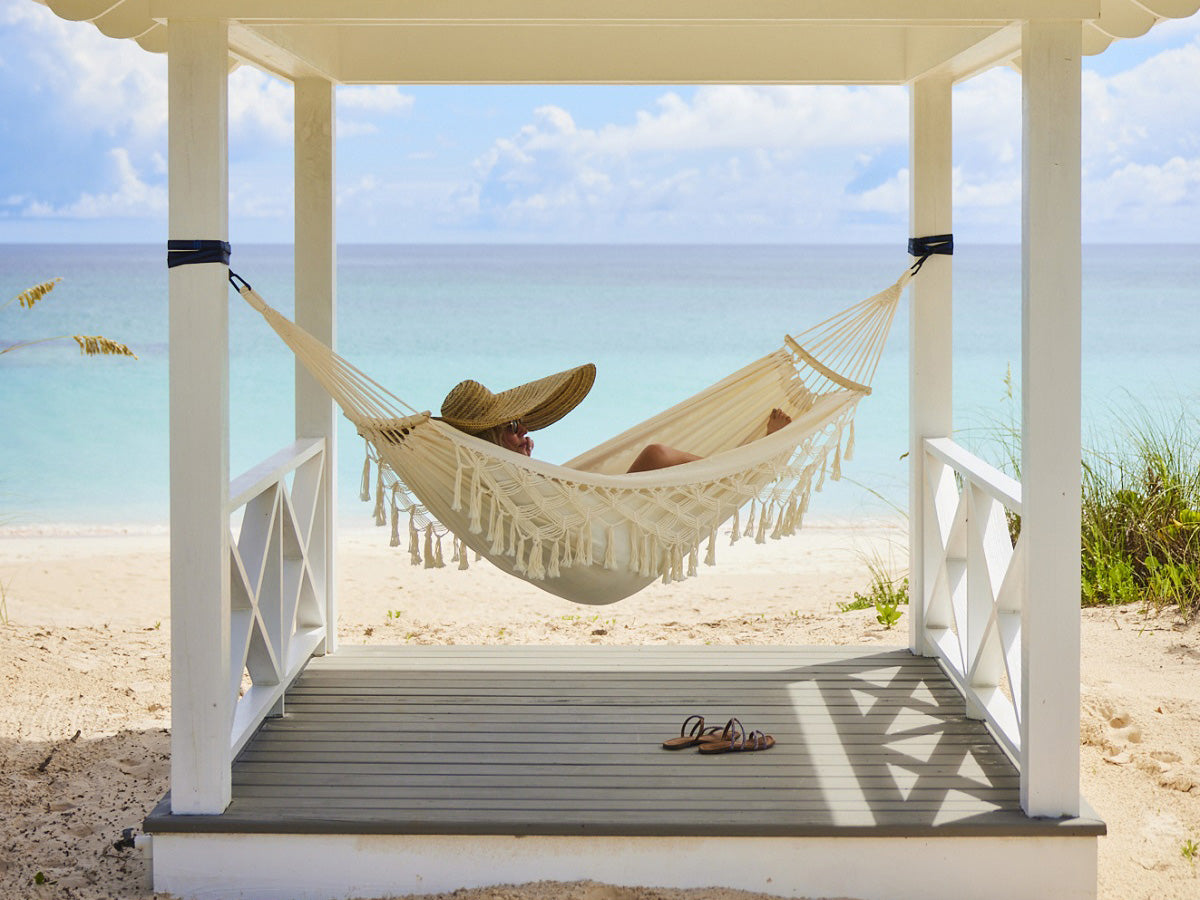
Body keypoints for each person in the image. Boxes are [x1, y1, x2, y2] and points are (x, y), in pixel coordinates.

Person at [438, 363, 791, 473]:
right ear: (489, 437)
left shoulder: (492, 465)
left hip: (583, 516)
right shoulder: (493, 468)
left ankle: (748, 465)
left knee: (658, 456)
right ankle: (753, 464)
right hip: (586, 532)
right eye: (513, 426)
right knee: (656, 455)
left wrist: (521, 456)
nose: (525, 430)